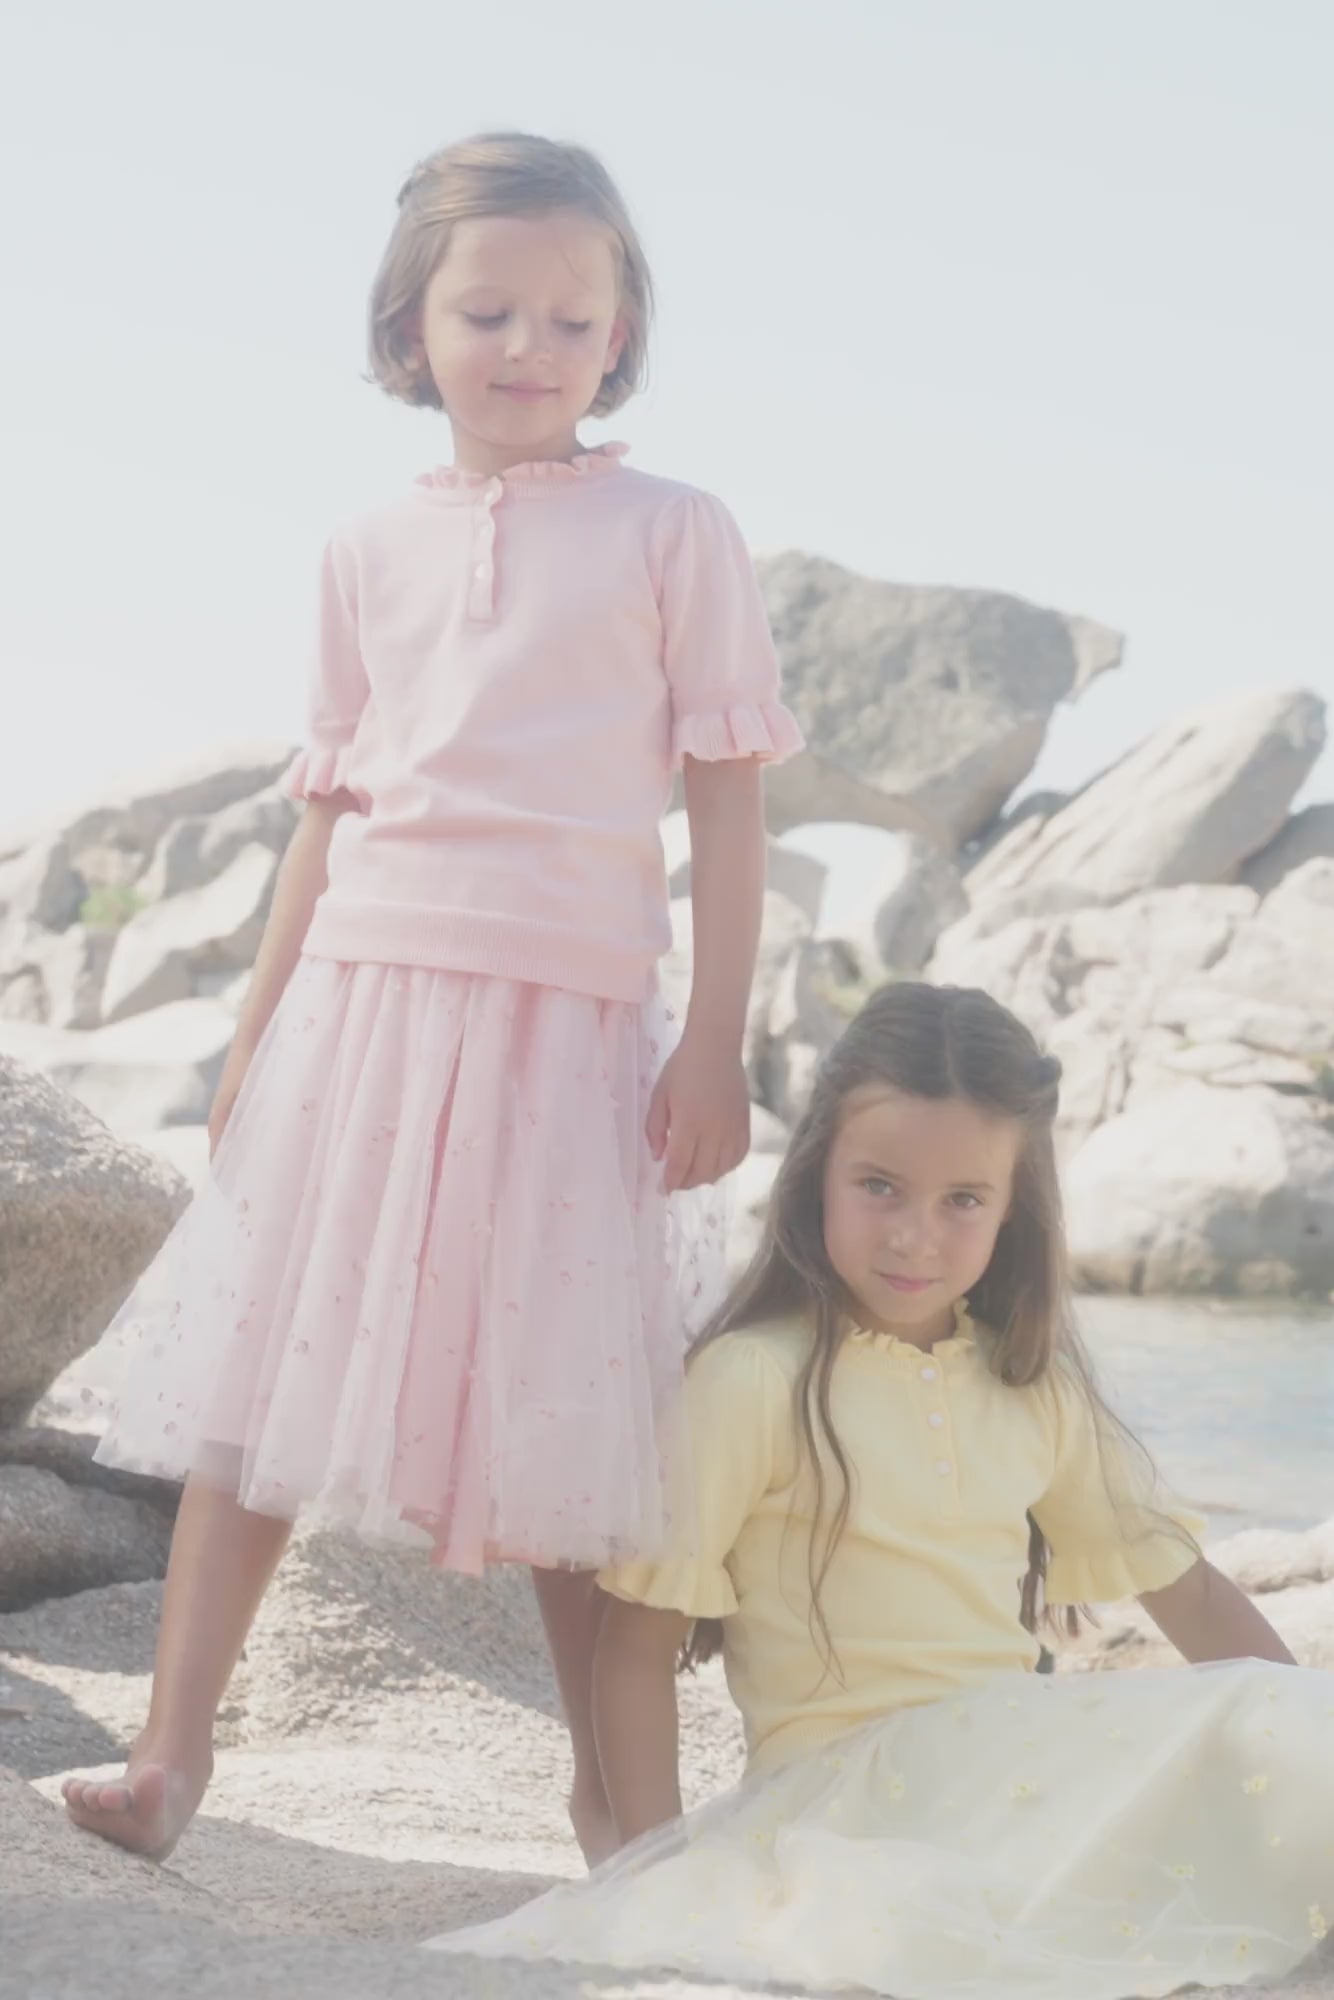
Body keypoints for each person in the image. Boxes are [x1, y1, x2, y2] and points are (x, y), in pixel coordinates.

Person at [62, 130, 801, 1867]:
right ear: (410, 330)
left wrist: (712, 1039)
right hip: (366, 1005)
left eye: (570, 319)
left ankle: (609, 1797)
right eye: (486, 313)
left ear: (620, 337)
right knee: (258, 1382)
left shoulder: (672, 532)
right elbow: (331, 814)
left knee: (561, 1409)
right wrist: (254, 1043)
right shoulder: (362, 547)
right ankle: (171, 1755)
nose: (527, 347)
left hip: (569, 1019)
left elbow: (725, 804)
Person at [430, 981, 1334, 1998]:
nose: (915, 1236)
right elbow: (634, 1649)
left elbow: (1189, 1592)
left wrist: (1296, 1717)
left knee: (1294, 1725)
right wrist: (652, 1870)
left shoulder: (1030, 1385)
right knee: (922, 1931)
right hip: (843, 1799)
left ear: (1012, 1206)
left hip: (1013, 1769)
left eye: (962, 1201)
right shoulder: (752, 1380)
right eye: (879, 1186)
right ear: (818, 1169)